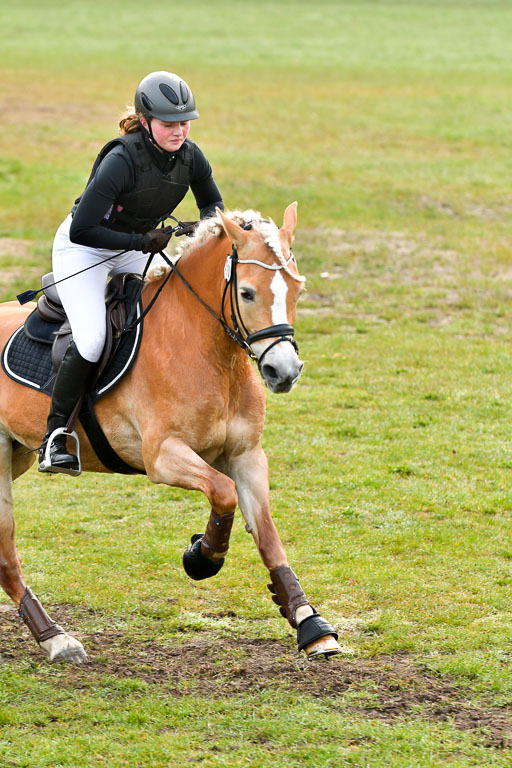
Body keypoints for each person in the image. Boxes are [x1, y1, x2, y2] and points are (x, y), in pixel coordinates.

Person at [38, 71, 224, 475]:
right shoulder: (122, 160)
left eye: (185, 121)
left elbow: (214, 205)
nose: (179, 131)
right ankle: (55, 438)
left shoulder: (191, 156)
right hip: (83, 250)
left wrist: (203, 228)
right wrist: (142, 242)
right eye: (168, 123)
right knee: (91, 339)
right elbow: (83, 228)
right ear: (145, 122)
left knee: (182, 302)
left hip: (135, 246)